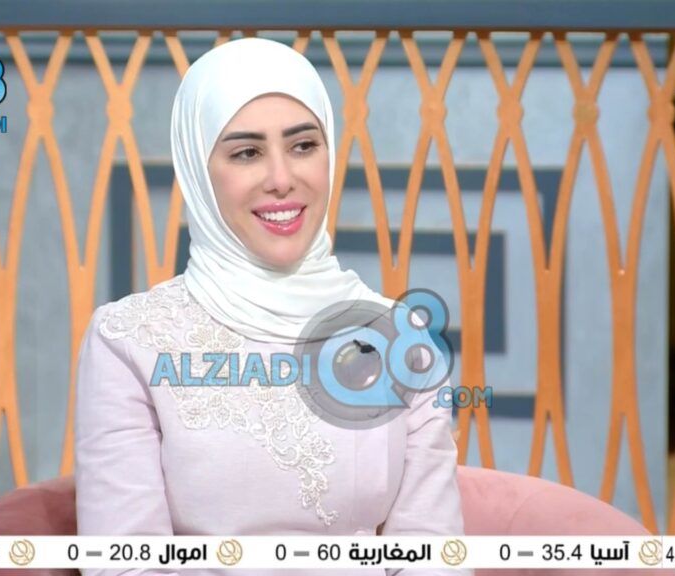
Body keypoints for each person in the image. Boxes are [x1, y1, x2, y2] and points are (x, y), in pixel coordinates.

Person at [75, 37, 468, 575]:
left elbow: (433, 555)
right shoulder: (128, 342)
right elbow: (126, 564)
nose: (282, 179)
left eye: (303, 145)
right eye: (247, 153)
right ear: (198, 170)